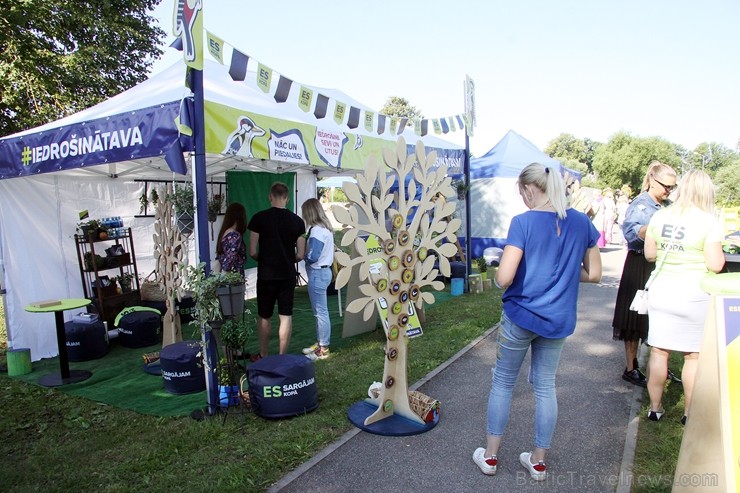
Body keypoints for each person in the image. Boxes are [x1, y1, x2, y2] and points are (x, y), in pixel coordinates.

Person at [472, 163, 601, 481]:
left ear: (529, 188)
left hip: (520, 316)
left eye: (521, 193)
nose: (523, 199)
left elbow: (504, 278)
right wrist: (564, 273)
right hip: (558, 320)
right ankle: (539, 462)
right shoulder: (582, 222)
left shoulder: (523, 222)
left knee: (503, 382)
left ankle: (490, 457)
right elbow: (594, 274)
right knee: (545, 386)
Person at [644, 170, 725, 424]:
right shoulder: (708, 222)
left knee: (659, 351)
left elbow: (649, 255)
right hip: (693, 294)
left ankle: (655, 407)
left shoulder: (660, 215)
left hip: (662, 291)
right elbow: (715, 264)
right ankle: (689, 412)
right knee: (693, 356)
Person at [612, 161, 677, 387]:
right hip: (640, 263)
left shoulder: (668, 205)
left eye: (672, 187)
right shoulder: (641, 205)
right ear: (651, 181)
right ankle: (631, 368)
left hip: (659, 263)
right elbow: (631, 234)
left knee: (657, 318)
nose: (668, 190)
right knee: (634, 319)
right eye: (665, 186)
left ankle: (658, 367)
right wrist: (657, 227)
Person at [248, 182, 306, 359]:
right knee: (285, 315)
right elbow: (301, 254)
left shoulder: (258, 218)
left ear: (270, 197)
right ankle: (281, 356)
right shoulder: (297, 222)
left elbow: (252, 251)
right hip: (287, 274)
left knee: (264, 315)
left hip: (266, 274)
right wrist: (289, 259)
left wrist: (263, 258)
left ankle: (264, 354)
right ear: (287, 198)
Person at [300, 198, 335, 361]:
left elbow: (312, 256)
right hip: (324, 272)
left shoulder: (316, 231)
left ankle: (323, 347)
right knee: (320, 311)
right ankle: (321, 343)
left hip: (318, 273)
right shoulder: (325, 228)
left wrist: (301, 256)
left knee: (320, 312)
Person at [215, 202, 247, 276]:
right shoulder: (235, 235)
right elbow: (231, 257)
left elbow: (220, 256)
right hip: (233, 277)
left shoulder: (224, 233)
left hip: (224, 275)